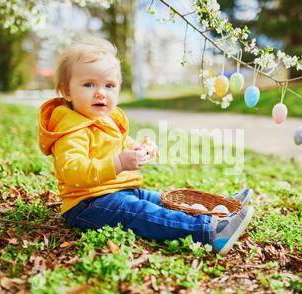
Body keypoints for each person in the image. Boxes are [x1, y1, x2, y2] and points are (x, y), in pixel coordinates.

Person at [38, 35, 254, 256]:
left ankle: (220, 210)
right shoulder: (71, 130)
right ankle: (210, 232)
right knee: (144, 213)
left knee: (161, 200)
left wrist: (141, 148)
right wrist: (119, 163)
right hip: (88, 205)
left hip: (120, 191)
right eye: (89, 84)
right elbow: (74, 172)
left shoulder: (105, 119)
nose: (101, 92)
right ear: (66, 91)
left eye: (109, 85)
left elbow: (121, 145)